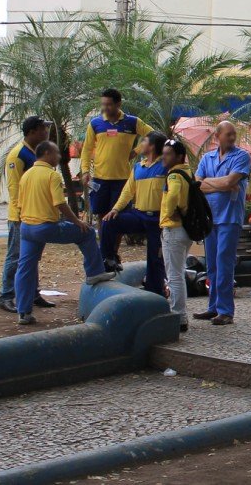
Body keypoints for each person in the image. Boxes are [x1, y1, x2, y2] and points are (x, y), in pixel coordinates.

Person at [14, 142, 115, 325]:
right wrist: (77, 222)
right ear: (46, 153)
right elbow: (60, 203)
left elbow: (19, 203)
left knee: (25, 268)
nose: (59, 157)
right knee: (87, 233)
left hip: (27, 228)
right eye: (56, 154)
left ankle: (23, 312)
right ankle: (95, 272)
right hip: (45, 226)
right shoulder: (52, 175)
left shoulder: (26, 175)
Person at [193, 121, 251, 325]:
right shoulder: (207, 158)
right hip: (211, 218)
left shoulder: (242, 156)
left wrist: (213, 183)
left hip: (229, 217)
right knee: (212, 264)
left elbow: (229, 182)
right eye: (228, 134)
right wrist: (223, 185)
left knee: (224, 263)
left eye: (234, 134)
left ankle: (226, 310)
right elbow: (196, 184)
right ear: (217, 135)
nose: (232, 138)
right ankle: (213, 306)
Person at [100, 131, 168, 295]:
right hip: (138, 214)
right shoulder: (138, 166)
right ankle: (108, 259)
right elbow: (127, 191)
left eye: (143, 141)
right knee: (109, 222)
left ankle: (155, 290)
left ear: (151, 146)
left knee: (155, 257)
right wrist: (115, 209)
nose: (140, 145)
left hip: (158, 218)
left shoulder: (166, 166)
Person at [0, 116, 54, 314]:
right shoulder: (18, 155)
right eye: (42, 129)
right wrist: (22, 215)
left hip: (36, 215)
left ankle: (33, 293)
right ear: (31, 132)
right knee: (15, 257)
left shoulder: (36, 154)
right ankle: (6, 295)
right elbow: (14, 190)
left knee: (32, 256)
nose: (46, 133)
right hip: (21, 217)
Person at [79, 89, 154, 218]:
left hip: (122, 179)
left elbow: (153, 135)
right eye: (103, 104)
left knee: (119, 216)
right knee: (101, 214)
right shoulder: (95, 124)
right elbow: (87, 149)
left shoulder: (132, 122)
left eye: (108, 104)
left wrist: (136, 151)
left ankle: (114, 239)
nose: (105, 107)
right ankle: (104, 239)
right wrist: (85, 171)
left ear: (118, 104)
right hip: (99, 179)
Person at [160, 139, 193, 332]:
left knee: (174, 275)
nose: (164, 157)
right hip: (185, 230)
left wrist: (167, 213)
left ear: (179, 156)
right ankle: (180, 315)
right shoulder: (187, 171)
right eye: (164, 153)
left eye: (169, 154)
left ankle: (178, 316)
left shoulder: (173, 175)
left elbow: (172, 195)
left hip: (173, 228)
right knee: (178, 273)